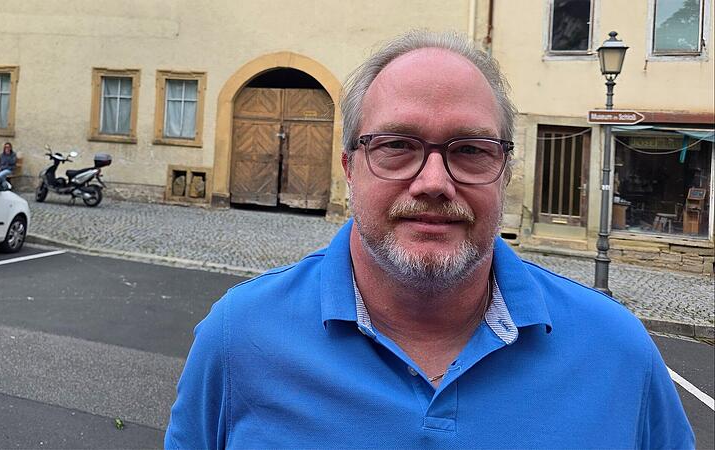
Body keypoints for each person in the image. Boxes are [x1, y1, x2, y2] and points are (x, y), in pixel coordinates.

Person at [165, 30, 694, 449]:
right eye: (397, 144)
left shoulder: (618, 352)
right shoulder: (240, 338)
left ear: (505, 170)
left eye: (470, 149)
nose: (435, 182)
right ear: (350, 168)